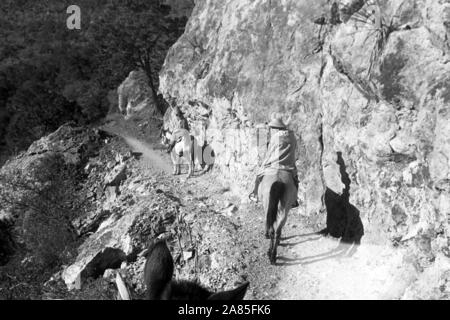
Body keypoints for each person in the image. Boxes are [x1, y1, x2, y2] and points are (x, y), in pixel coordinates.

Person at [249, 117, 299, 208]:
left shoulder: (276, 137)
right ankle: (294, 200)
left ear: (275, 128)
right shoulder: (292, 136)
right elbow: (294, 150)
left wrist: (264, 164)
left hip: (275, 164)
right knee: (295, 180)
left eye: (272, 127)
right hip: (288, 166)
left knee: (258, 176)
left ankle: (255, 194)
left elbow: (269, 153)